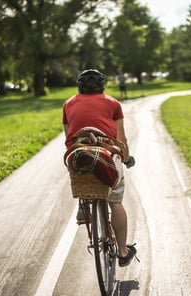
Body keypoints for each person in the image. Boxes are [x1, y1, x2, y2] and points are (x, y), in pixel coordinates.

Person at [62, 69, 137, 267]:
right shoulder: (113, 103)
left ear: (79, 87)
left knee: (85, 182)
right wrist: (127, 159)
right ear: (103, 86)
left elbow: (68, 139)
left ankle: (85, 206)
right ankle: (122, 252)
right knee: (115, 200)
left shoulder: (68, 104)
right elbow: (121, 139)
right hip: (107, 155)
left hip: (79, 154)